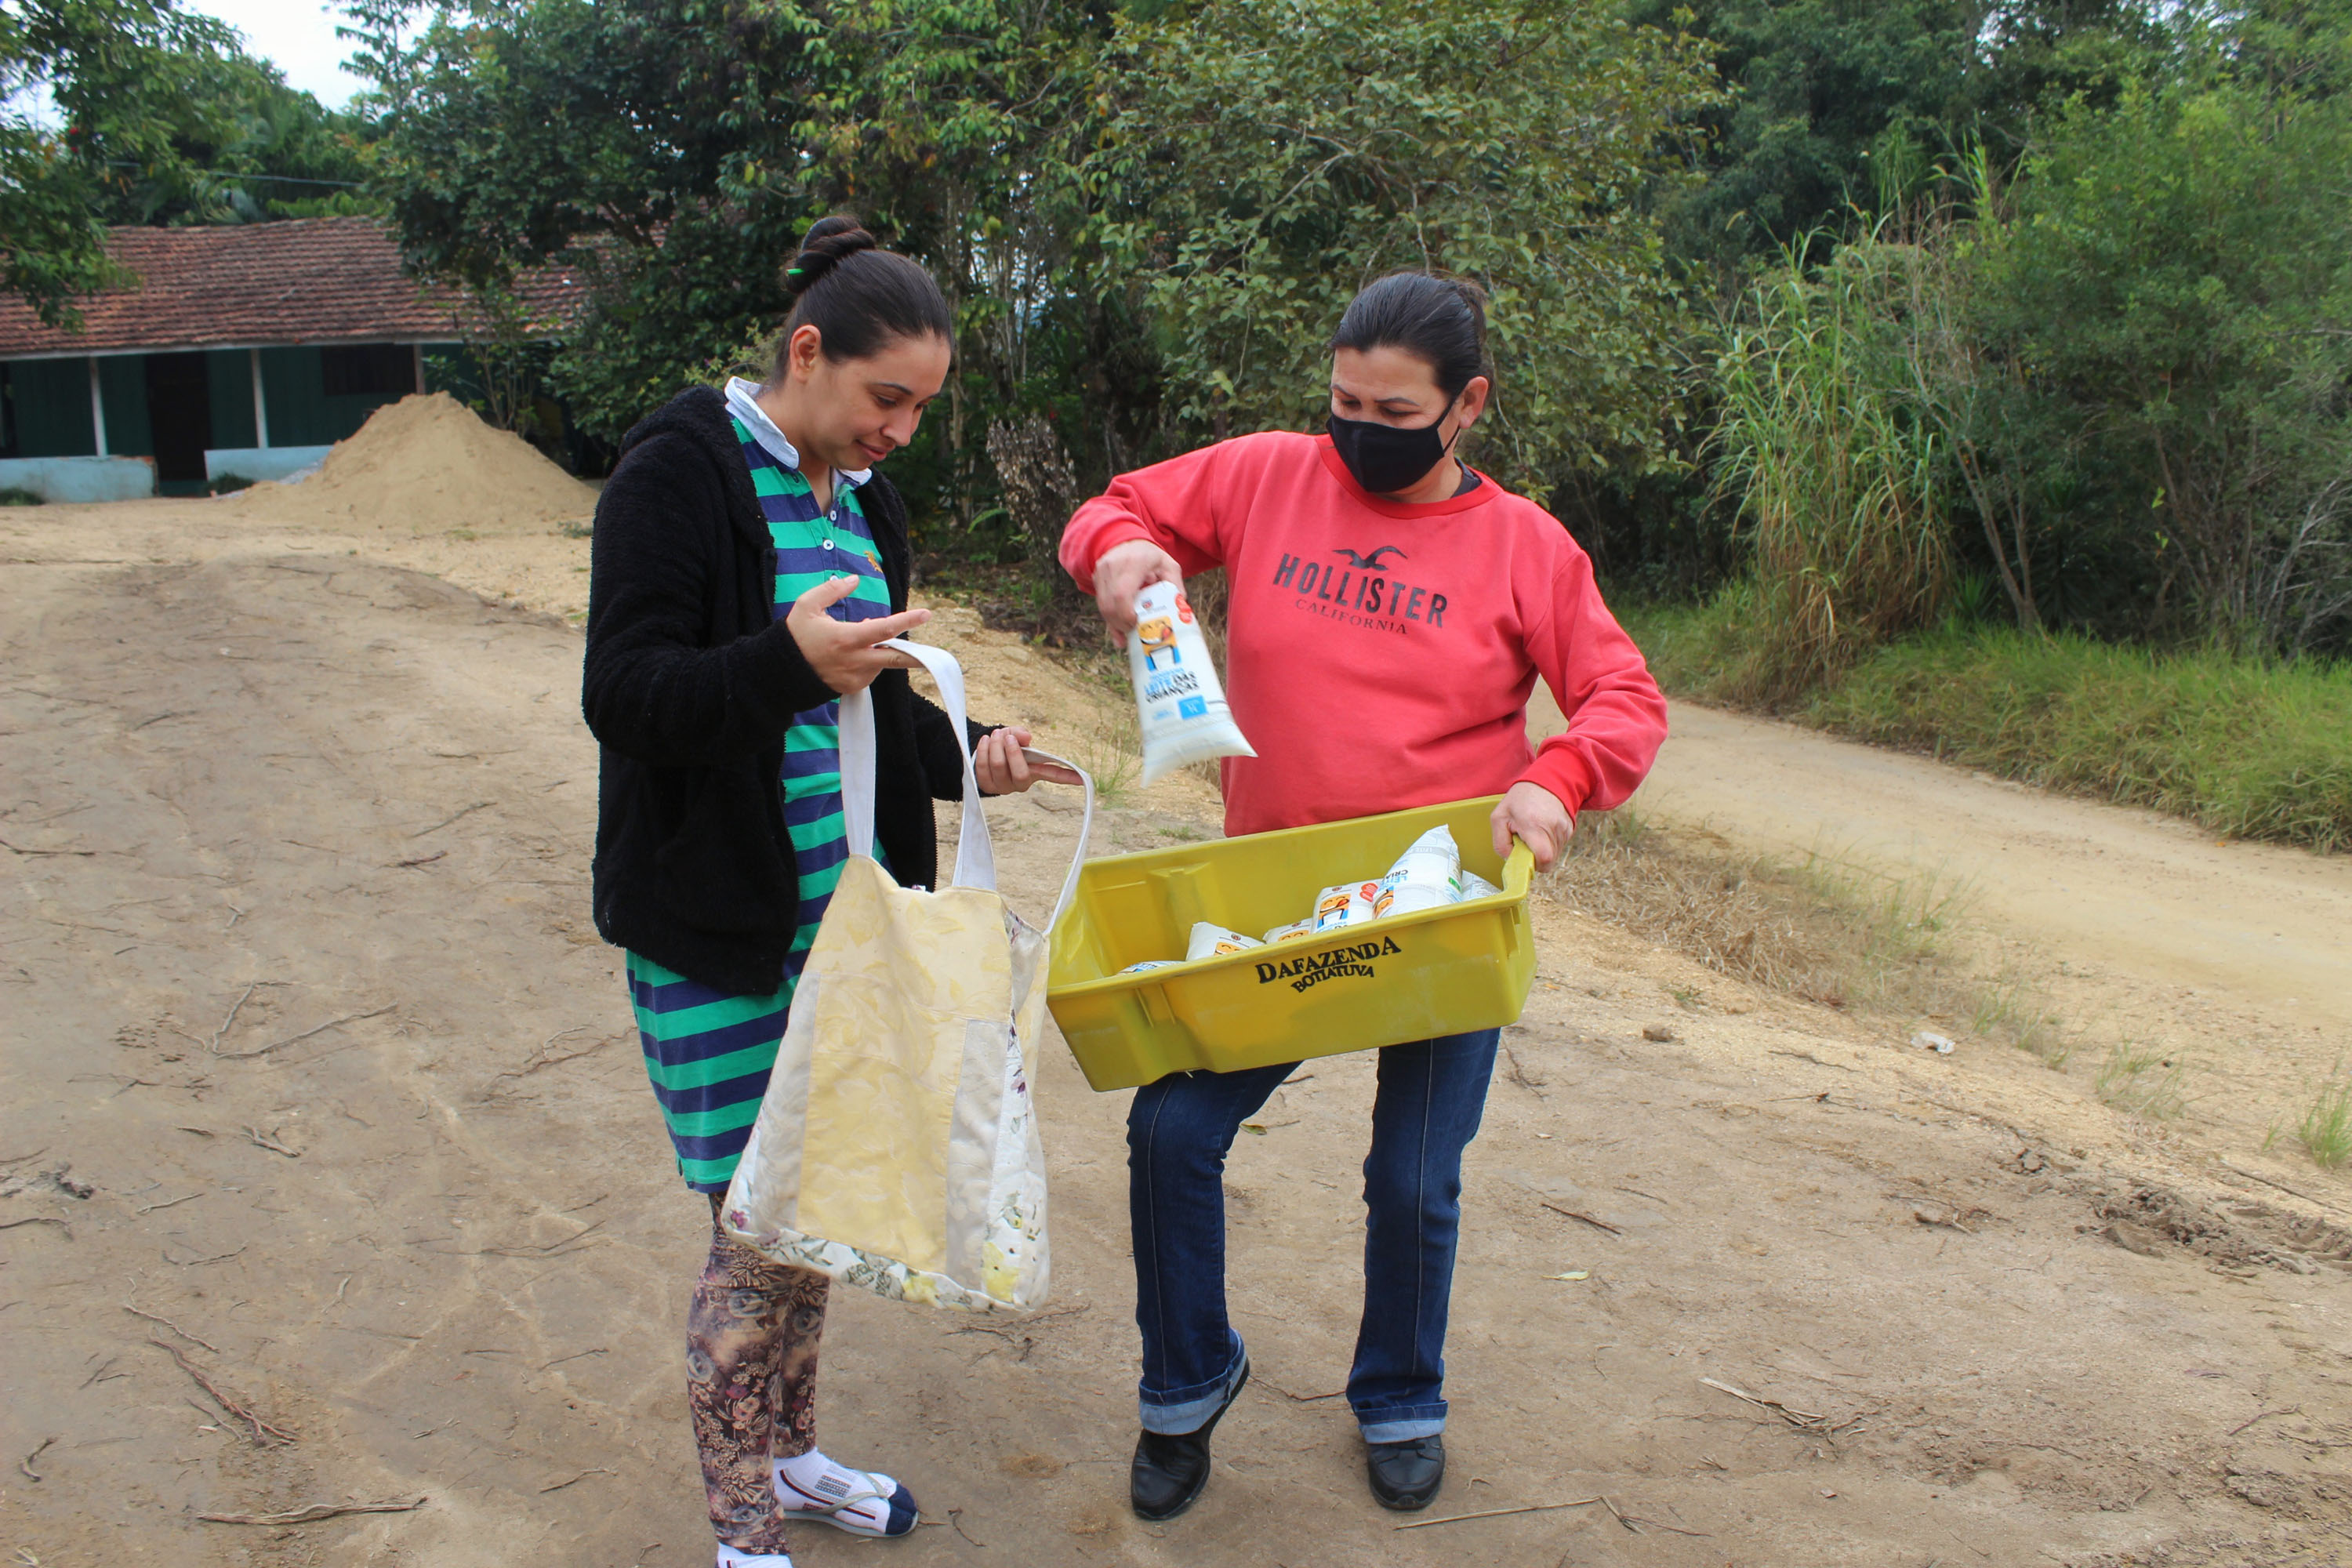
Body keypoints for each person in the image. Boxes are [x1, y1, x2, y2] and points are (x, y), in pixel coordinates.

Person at [1058, 271, 1669, 1520]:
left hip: (1438, 918)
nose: (1360, 431)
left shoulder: (1526, 547)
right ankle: (1185, 1385)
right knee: (1171, 1133)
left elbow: (1623, 697)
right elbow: (1118, 511)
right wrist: (1116, 551)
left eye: (1394, 412)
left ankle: (1399, 1394)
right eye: (1344, 402)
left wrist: (1557, 780)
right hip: (1273, 901)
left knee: (1413, 1177)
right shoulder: (1267, 475)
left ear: (1466, 406)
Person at [583, 216, 1073, 1568]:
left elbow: (868, 705)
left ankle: (792, 1460)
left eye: (920, 408)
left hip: (847, 931)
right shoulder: (678, 471)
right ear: (808, 353)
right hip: (718, 934)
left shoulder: (864, 503)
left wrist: (973, 754)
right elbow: (625, 692)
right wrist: (784, 664)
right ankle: (744, 1534)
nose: (900, 431)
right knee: (757, 1231)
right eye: (885, 398)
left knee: (817, 1216)